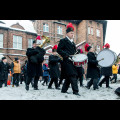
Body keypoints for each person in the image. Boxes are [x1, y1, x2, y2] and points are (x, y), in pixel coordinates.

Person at [57, 23, 80, 96]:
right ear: (67, 33)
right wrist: (66, 55)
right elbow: (59, 50)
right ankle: (75, 91)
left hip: (72, 61)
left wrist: (77, 52)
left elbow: (73, 52)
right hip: (67, 61)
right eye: (71, 33)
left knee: (68, 76)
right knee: (73, 75)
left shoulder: (73, 42)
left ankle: (63, 90)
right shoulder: (63, 40)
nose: (72, 34)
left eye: (73, 33)